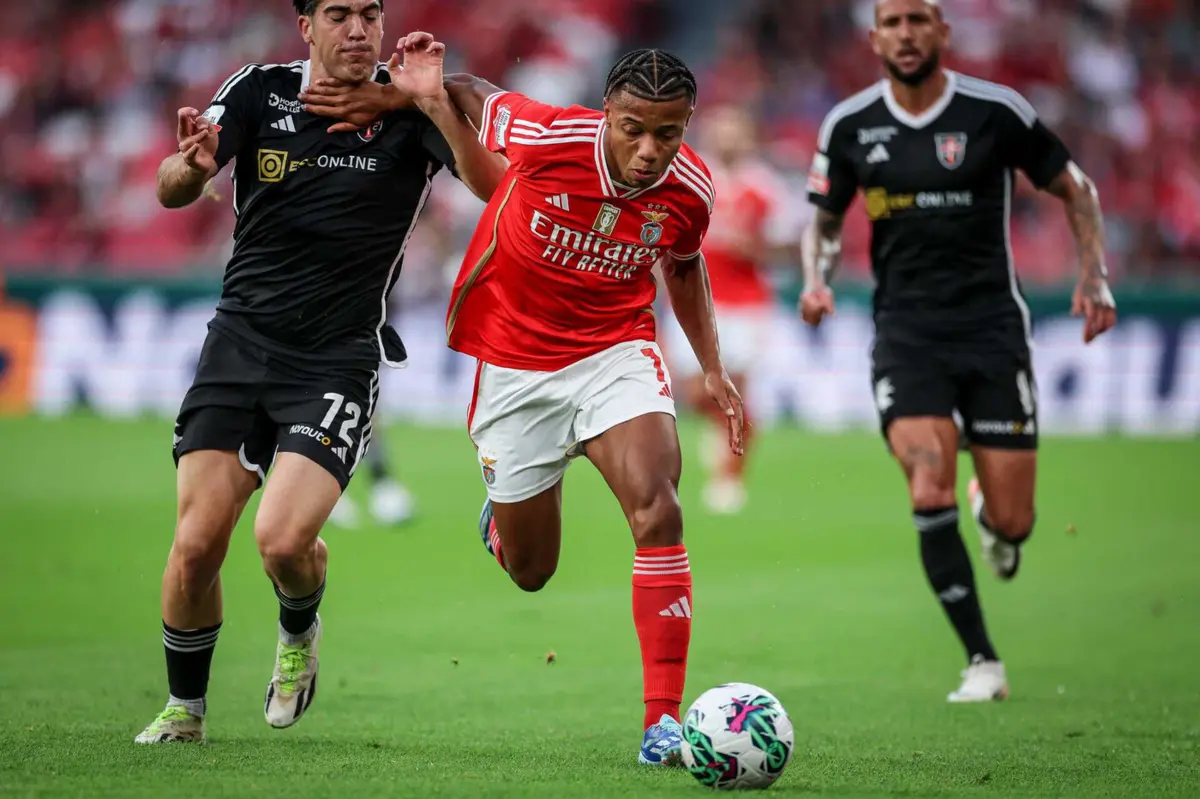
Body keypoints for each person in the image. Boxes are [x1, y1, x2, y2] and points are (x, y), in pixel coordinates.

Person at [303, 37, 744, 765]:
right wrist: (398, 92)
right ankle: (503, 525)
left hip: (617, 350)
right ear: (607, 112)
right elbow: (474, 88)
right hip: (516, 365)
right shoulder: (548, 134)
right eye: (633, 127)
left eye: (668, 132)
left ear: (688, 124)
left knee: (658, 504)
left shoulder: (690, 188)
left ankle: (661, 722)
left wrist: (714, 369)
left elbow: (684, 263)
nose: (647, 149)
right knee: (532, 572)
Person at [135, 1, 506, 744]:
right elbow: (172, 186)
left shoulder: (410, 110)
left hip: (336, 358)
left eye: (370, 12)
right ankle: (185, 711)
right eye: (339, 13)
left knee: (279, 541)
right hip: (238, 345)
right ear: (306, 26)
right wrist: (192, 165)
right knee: (197, 543)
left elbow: (497, 188)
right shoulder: (257, 91)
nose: (359, 29)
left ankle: (298, 634)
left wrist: (428, 98)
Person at [800, 0, 1117, 702]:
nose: (906, 35)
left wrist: (1092, 274)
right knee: (926, 480)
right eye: (893, 22)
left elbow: (1078, 189)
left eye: (919, 20)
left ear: (942, 31)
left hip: (992, 331)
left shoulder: (995, 110)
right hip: (907, 335)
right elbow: (823, 220)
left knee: (1015, 521)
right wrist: (817, 279)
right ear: (874, 36)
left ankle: (993, 518)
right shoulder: (849, 124)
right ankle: (982, 660)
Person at [662, 105, 800, 514]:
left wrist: (754, 248)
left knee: (734, 389)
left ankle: (730, 481)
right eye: (721, 130)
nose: (727, 138)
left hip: (745, 306)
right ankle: (717, 432)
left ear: (748, 137)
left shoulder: (765, 188)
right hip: (691, 300)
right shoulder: (688, 179)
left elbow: (790, 248)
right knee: (692, 392)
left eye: (735, 131)